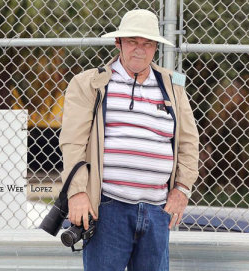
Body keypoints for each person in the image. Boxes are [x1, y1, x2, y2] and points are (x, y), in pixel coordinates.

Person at [59, 9, 199, 271]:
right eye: (133, 41)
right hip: (108, 208)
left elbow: (189, 142)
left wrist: (182, 188)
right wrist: (77, 192)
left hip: (158, 211)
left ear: (156, 47)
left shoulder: (173, 85)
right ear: (118, 43)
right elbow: (72, 143)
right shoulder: (89, 83)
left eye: (147, 43)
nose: (140, 49)